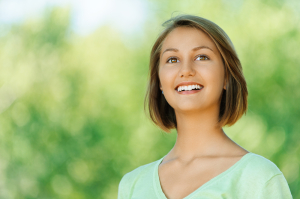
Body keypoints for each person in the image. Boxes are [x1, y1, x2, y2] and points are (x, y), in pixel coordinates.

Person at [117, 15, 293, 199]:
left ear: (226, 76)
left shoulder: (259, 177)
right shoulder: (132, 185)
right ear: (159, 81)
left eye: (202, 57)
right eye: (172, 59)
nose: (185, 70)